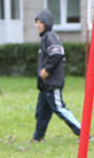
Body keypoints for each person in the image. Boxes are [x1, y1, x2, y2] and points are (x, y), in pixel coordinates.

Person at [33, 9, 81, 142]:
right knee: (41, 112)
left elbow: (57, 54)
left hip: (52, 83)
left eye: (41, 22)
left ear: (47, 24)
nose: (38, 25)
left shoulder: (50, 36)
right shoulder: (44, 38)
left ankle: (83, 133)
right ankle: (38, 137)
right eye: (36, 22)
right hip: (44, 85)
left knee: (60, 108)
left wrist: (46, 70)